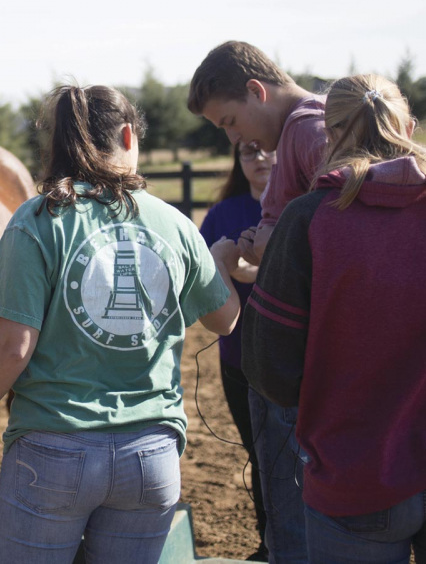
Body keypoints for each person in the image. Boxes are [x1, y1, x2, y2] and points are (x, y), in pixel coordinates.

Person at [0, 84, 243, 564]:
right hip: (151, 456)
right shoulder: (173, 223)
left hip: (51, 454)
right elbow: (226, 319)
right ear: (129, 136)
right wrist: (216, 259)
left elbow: (13, 347)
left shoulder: (35, 221)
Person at [241, 74, 426, 564]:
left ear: (330, 136)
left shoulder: (309, 220)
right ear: (411, 125)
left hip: (354, 472)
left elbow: (271, 369)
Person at [188, 40, 327, 564]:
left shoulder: (309, 132)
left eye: (229, 121)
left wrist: (239, 252)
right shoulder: (299, 137)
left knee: (293, 490)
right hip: (277, 354)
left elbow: (333, 231)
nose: (235, 137)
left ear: (255, 90)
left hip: (307, 355)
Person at [197, 142, 276, 562]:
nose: (260, 158)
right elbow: (202, 285)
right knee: (259, 452)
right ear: (237, 162)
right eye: (249, 152)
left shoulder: (301, 209)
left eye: (267, 150)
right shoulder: (222, 216)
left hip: (295, 360)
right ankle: (270, 542)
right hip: (239, 359)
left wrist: (247, 270)